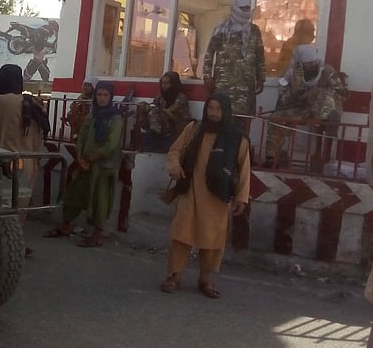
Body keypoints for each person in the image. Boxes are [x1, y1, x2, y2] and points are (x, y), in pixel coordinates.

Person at [161, 93, 250, 298]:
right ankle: (174, 276)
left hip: (217, 195)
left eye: (218, 109)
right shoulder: (194, 129)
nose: (213, 113)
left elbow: (244, 168)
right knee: (181, 235)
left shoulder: (237, 137)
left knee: (212, 241)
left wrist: (241, 197)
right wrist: (174, 166)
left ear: (225, 111)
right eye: (210, 108)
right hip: (190, 190)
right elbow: (174, 151)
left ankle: (205, 280)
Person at [0, 64, 50, 255]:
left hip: (5, 164)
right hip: (29, 163)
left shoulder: (0, 101)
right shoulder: (34, 103)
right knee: (20, 208)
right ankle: (16, 244)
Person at [44, 81, 122, 247]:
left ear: (111, 97)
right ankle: (65, 226)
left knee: (100, 200)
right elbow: (82, 136)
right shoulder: (92, 115)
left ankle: (96, 236)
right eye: (99, 95)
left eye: (105, 95)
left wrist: (91, 158)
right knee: (74, 194)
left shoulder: (115, 118)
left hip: (103, 167)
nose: (102, 98)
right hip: (85, 164)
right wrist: (80, 156)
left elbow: (111, 144)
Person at [263, 45, 347, 167]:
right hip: (300, 109)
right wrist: (295, 87)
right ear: (301, 63)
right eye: (308, 64)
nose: (312, 65)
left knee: (326, 94)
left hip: (322, 110)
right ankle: (271, 158)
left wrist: (318, 92)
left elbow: (342, 94)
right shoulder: (291, 74)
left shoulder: (327, 72)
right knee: (276, 118)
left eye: (314, 62)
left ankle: (328, 119)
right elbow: (282, 102)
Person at [202, 0, 265, 123]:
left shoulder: (254, 30)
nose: (245, 11)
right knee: (222, 116)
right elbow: (209, 53)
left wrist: (261, 77)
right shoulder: (221, 29)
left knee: (243, 119)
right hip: (224, 84)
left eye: (247, 8)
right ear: (235, 8)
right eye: (243, 8)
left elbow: (260, 55)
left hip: (245, 85)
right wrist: (207, 76)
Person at [138, 71, 192, 151]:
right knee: (140, 107)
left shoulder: (181, 98)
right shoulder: (160, 97)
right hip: (162, 126)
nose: (164, 86)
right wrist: (145, 106)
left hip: (176, 126)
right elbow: (153, 105)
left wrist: (153, 109)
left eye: (167, 83)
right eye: (162, 83)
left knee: (154, 112)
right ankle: (153, 135)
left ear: (173, 84)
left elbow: (169, 111)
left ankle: (154, 137)